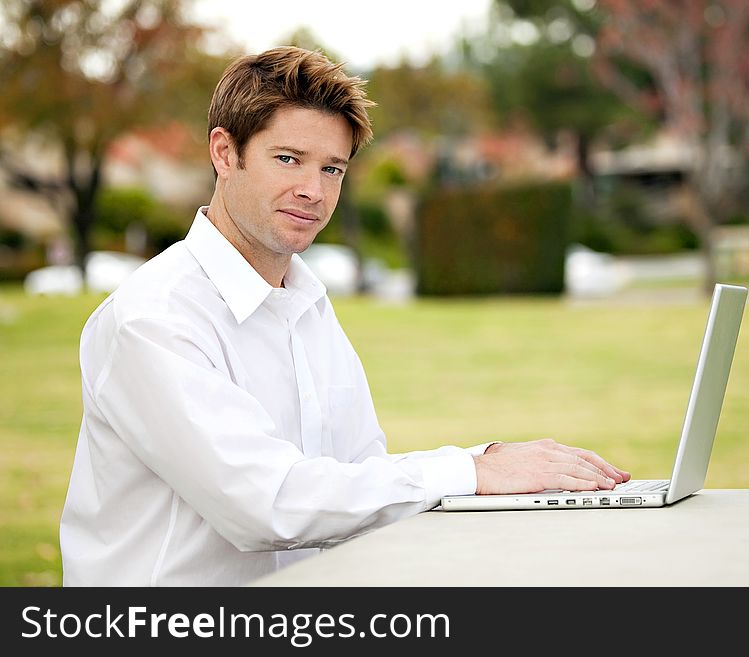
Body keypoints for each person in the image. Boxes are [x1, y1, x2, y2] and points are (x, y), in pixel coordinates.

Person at [60, 46, 630, 586]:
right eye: (289, 160)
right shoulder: (153, 318)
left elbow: (359, 480)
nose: (312, 190)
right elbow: (267, 504)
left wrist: (513, 487)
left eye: (332, 169)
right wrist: (471, 472)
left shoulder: (306, 302)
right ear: (224, 152)